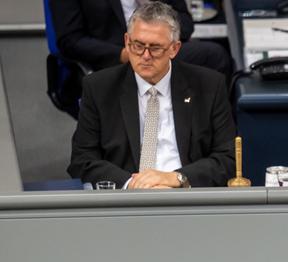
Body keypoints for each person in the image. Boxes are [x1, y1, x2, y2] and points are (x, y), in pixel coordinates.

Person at [67, 2, 235, 188]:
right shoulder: (99, 88)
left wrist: (177, 178)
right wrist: (132, 184)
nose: (145, 56)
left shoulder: (209, 86)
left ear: (174, 49)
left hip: (186, 195)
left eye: (155, 48)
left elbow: (228, 158)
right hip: (127, 197)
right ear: (127, 41)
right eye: (138, 46)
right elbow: (82, 160)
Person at [50, 0, 230, 76]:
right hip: (113, 61)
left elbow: (186, 24)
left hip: (161, 53)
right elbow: (70, 40)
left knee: (214, 55)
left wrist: (153, 6)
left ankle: (212, 138)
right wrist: (123, 54)